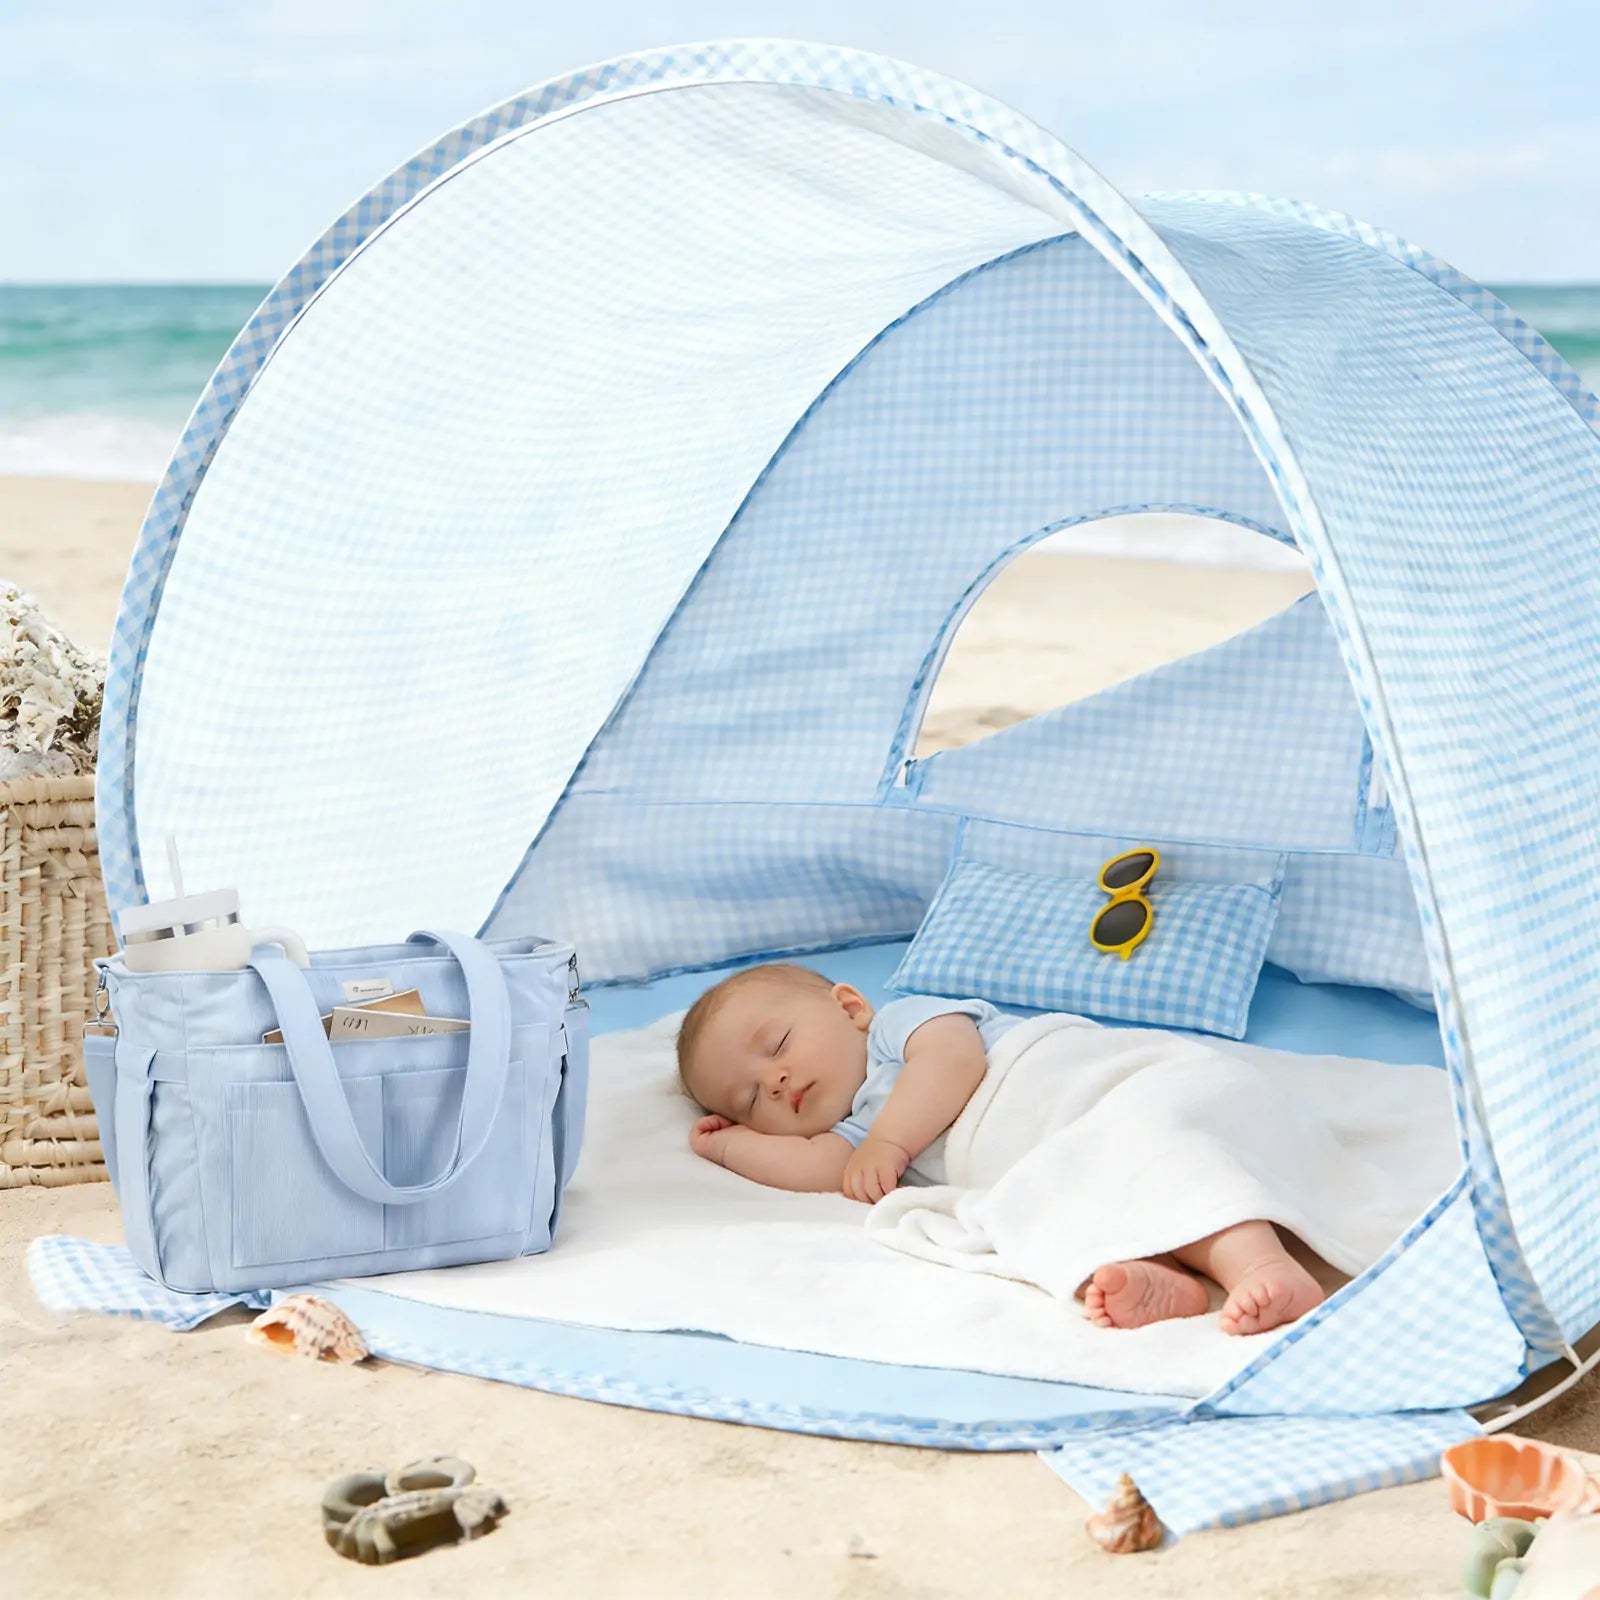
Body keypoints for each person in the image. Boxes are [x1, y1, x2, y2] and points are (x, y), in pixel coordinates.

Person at [677, 962, 1326, 1336]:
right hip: (1062, 1151)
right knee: (1048, 1210)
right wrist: (733, 1147)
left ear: (849, 1007)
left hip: (1096, 1088)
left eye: (777, 1046)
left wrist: (891, 1141)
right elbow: (823, 1170)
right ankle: (1161, 1272)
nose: (774, 1081)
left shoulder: (898, 1030)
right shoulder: (855, 1139)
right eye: (750, 1098)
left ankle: (1260, 1266)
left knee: (1162, 1151)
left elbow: (953, 1059)